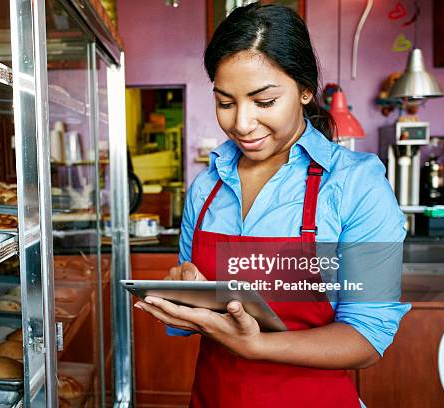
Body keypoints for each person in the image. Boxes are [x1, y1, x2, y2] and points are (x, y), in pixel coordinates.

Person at [133, 4, 410, 408]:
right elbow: (203, 312)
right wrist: (187, 294)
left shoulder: (356, 185)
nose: (242, 123)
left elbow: (367, 337)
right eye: (225, 102)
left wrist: (256, 346)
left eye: (263, 102)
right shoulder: (206, 186)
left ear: (304, 89)